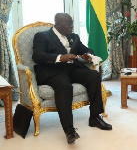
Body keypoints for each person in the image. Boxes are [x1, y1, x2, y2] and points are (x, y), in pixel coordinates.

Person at [32, 13, 112, 144]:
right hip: (53, 71)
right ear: (57, 24)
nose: (71, 26)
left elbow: (87, 49)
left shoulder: (74, 37)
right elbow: (37, 56)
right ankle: (69, 130)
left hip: (72, 69)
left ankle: (95, 117)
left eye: (72, 23)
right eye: (68, 23)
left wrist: (88, 55)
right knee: (64, 86)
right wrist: (60, 57)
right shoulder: (42, 36)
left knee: (93, 76)